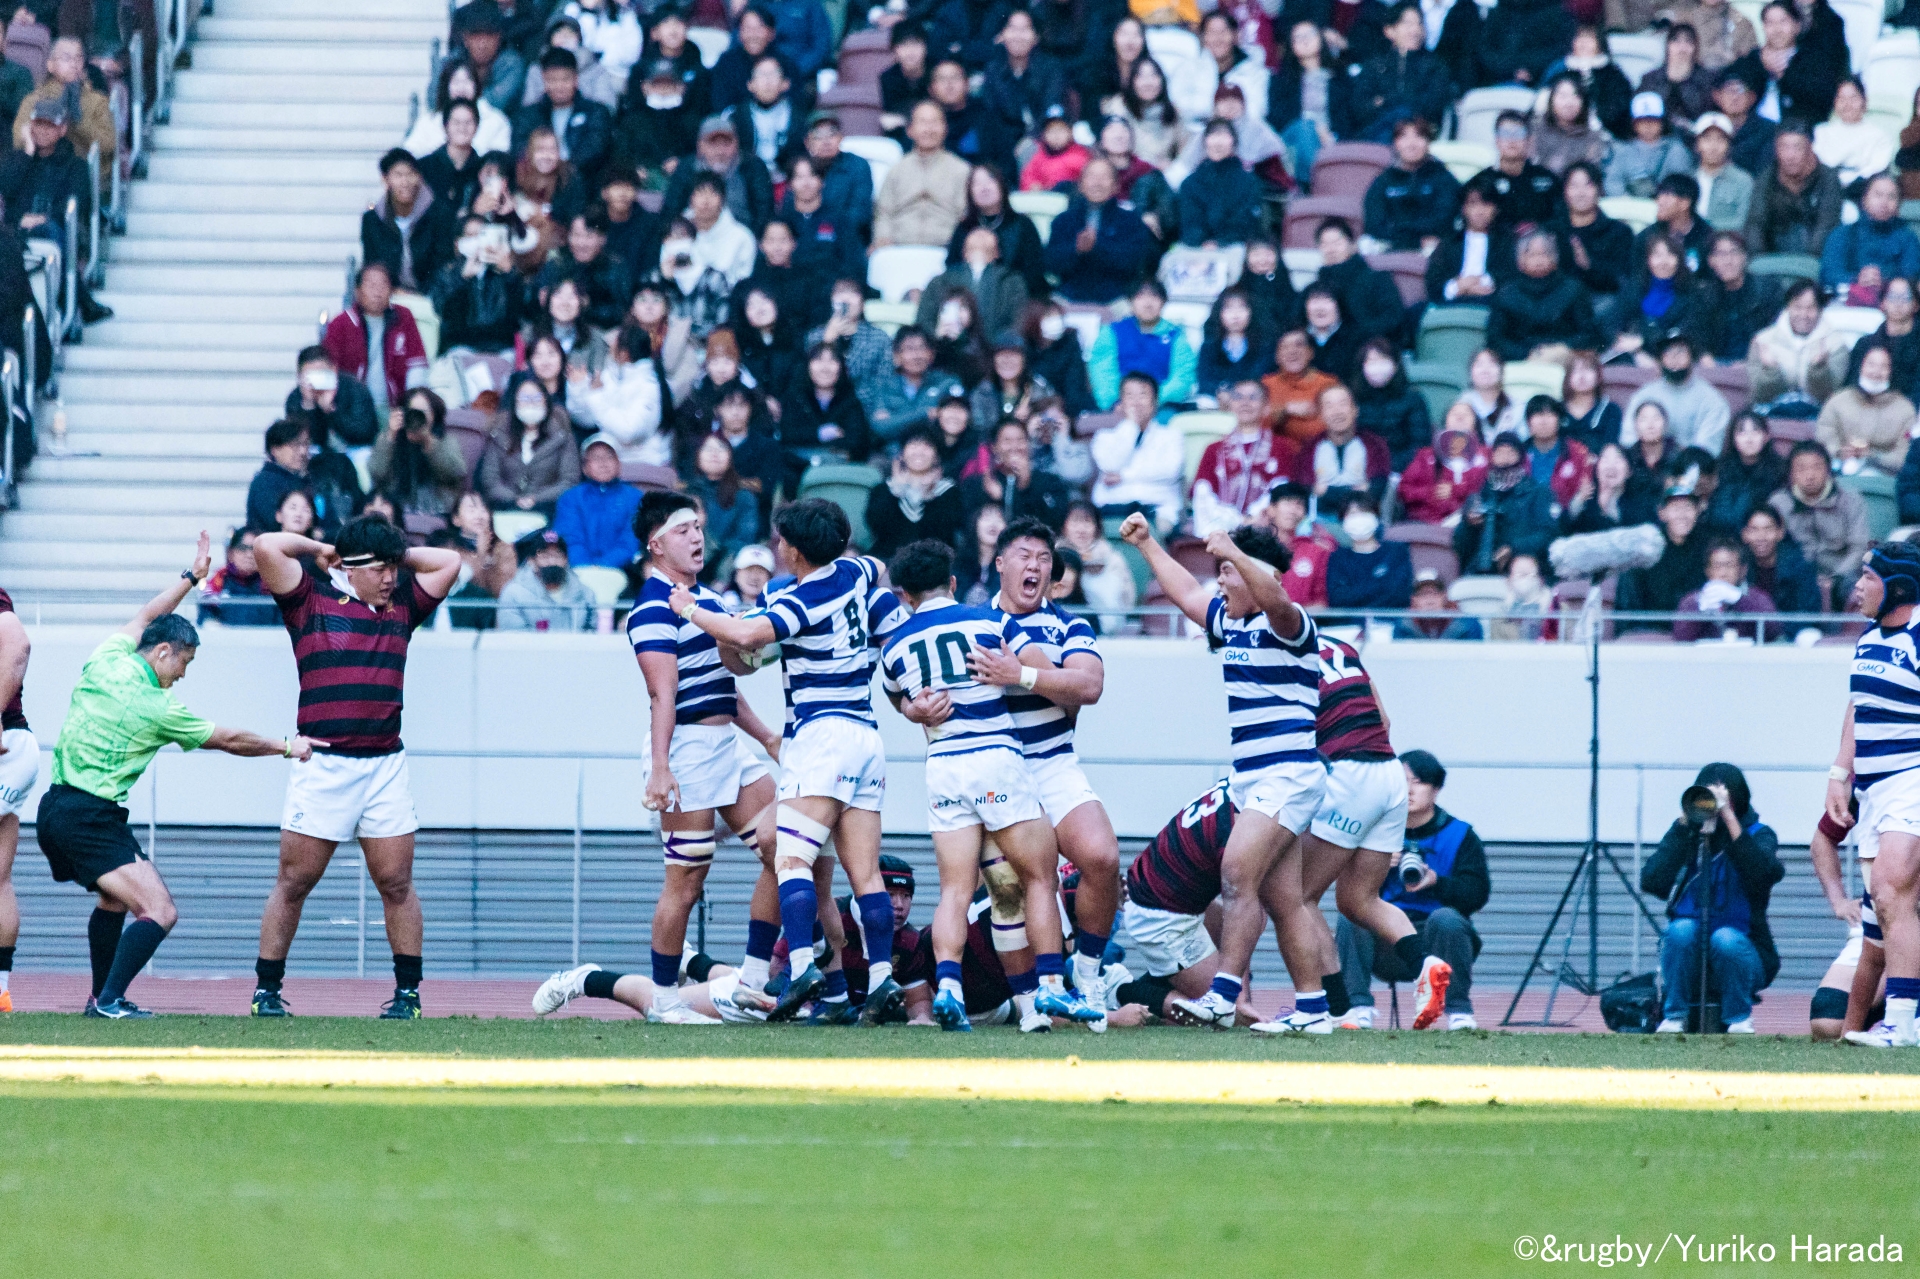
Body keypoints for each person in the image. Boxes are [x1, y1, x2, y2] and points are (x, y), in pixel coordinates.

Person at [34, 536, 323, 1018]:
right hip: (88, 816)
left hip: (56, 808)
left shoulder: (106, 660)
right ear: (165, 652)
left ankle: (99, 997)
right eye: (184, 663)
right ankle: (109, 1001)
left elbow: (146, 616)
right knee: (161, 911)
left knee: (114, 901)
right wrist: (287, 746)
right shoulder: (157, 707)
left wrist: (191, 579)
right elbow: (229, 739)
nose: (183, 674)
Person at [667, 500, 909, 1021]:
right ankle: (881, 978)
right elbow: (879, 574)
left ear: (794, 550)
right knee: (864, 874)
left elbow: (747, 638)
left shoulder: (802, 598)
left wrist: (689, 608)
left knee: (791, 860)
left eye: (781, 541)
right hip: (866, 736)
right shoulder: (858, 571)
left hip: (820, 736)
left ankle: (802, 965)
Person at [877, 538, 1100, 1032]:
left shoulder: (893, 646)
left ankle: (949, 987)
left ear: (904, 596)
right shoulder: (988, 621)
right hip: (995, 759)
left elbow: (898, 700)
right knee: (1039, 877)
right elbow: (1047, 674)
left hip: (942, 766)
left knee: (955, 890)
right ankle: (1051, 986)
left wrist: (915, 709)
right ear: (952, 582)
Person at [246, 518, 461, 1018]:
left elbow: (450, 562)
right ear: (349, 568)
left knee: (397, 883)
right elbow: (266, 545)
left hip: (384, 766)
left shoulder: (402, 606)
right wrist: (324, 548)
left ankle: (408, 995)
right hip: (323, 765)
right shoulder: (310, 601)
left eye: (393, 568)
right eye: (379, 569)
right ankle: (266, 991)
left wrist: (394, 553)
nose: (390, 578)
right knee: (294, 882)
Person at [1119, 518, 1323, 1030]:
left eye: (1228, 572)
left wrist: (1234, 550)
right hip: (1256, 779)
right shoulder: (1230, 623)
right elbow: (1187, 592)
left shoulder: (1289, 623)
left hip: (1287, 775)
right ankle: (1314, 1009)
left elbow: (1276, 598)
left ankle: (1223, 995)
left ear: (1257, 573)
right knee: (1285, 902)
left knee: (1235, 872)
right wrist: (1146, 544)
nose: (1220, 583)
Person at [622, 492, 786, 997]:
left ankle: (754, 974)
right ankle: (663, 997)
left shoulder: (708, 602)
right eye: (683, 530)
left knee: (786, 849)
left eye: (697, 526)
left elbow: (723, 687)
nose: (697, 536)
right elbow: (662, 694)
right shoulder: (652, 609)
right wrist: (660, 767)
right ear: (656, 545)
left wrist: (767, 737)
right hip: (687, 750)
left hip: (727, 746)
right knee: (686, 883)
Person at [1829, 541, 1920, 1045]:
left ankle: (1900, 1024)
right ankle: (1906, 1020)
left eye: (1868, 576)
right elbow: (1857, 709)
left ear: (1899, 587)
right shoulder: (1867, 638)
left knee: (1890, 890)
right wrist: (1839, 773)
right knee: (1884, 909)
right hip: (1874, 789)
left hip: (1912, 777)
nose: (1857, 586)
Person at [1335, 750, 1489, 1031]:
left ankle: (1459, 1012)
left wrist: (1437, 882)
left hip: (1439, 941)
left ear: (1436, 789)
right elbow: (1349, 889)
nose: (1408, 790)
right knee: (1352, 916)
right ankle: (1357, 1008)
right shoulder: (1375, 833)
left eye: (1418, 782)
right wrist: (1378, 866)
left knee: (1446, 919)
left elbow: (1477, 894)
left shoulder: (1460, 835)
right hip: (1387, 942)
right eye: (1402, 781)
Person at [1644, 762, 1783, 1033]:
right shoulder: (1688, 835)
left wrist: (1729, 819)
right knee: (1680, 930)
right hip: (1690, 952)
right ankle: (1674, 1017)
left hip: (1746, 950)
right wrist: (1684, 825)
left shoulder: (1759, 834)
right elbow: (1652, 881)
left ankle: (1738, 1019)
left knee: (1725, 939)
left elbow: (1762, 875)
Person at [323, 263, 431, 422]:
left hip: (395, 408)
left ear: (392, 291)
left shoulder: (403, 317)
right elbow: (328, 367)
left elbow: (416, 363)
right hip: (354, 409)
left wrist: (412, 404)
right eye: (371, 285)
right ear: (357, 291)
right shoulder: (340, 324)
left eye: (383, 285)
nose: (377, 292)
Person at [1771, 441, 1871, 608]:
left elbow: (1858, 547)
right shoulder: (1778, 503)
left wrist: (1836, 576)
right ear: (1791, 473)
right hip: (1796, 574)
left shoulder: (1851, 501)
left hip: (1842, 574)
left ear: (1828, 470)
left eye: (1817, 467)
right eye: (1801, 469)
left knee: (1856, 589)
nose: (1810, 475)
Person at [1044, 158, 1154, 305]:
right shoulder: (1064, 220)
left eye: (1104, 177)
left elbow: (1134, 263)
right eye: (1092, 176)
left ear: (1116, 186)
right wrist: (1076, 249)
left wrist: (1097, 247)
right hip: (1068, 296)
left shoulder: (1131, 221)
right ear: (1081, 185)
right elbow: (1050, 263)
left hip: (1116, 298)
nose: (1097, 183)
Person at [1190, 381, 1295, 536]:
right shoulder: (1214, 450)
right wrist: (1234, 522)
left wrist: (1252, 519)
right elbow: (1203, 493)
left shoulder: (1282, 447)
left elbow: (1281, 491)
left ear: (1266, 406)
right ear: (1230, 405)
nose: (1245, 403)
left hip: (1264, 530)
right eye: (1238, 397)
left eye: (1253, 397)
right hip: (1220, 529)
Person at [530, 959, 777, 1023]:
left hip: (777, 987)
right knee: (656, 1003)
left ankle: (689, 959)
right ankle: (583, 980)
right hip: (772, 996)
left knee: (737, 978)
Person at [1485, 230, 1603, 362]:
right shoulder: (1506, 293)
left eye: (1544, 254)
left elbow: (1589, 334)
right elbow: (1495, 339)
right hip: (1520, 360)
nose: (1539, 261)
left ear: (1554, 257)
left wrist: (1559, 349)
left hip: (1563, 359)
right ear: (1520, 260)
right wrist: (1526, 354)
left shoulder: (1573, 289)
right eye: (1532, 255)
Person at [1454, 433, 1561, 576]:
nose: (1505, 457)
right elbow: (1461, 545)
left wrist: (1513, 548)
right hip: (1481, 570)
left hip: (1524, 568)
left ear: (1520, 457)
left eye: (1510, 452)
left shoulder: (1538, 493)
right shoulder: (1480, 495)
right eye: (1500, 452)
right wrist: (1469, 524)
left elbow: (1548, 535)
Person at [1090, 373, 1185, 530]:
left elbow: (1170, 470)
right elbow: (1111, 465)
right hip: (1112, 509)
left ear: (1155, 402)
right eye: (1129, 395)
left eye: (1143, 395)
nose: (1136, 402)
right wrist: (1131, 426)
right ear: (1121, 402)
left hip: (1156, 510)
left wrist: (1124, 476)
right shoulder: (1104, 436)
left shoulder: (1171, 436)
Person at [873, 101, 971, 249]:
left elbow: (967, 215)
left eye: (935, 122)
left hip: (946, 248)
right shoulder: (896, 170)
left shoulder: (962, 170)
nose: (929, 129)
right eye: (923, 122)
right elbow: (883, 212)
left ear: (945, 128)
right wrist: (883, 237)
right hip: (899, 247)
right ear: (909, 130)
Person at [478, 378, 582, 518]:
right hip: (506, 510)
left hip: (549, 510)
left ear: (546, 400)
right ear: (515, 402)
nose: (531, 402)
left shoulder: (563, 436)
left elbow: (569, 481)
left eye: (537, 397)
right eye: (524, 398)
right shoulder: (499, 433)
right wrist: (515, 499)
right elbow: (490, 480)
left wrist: (536, 499)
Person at [1087, 280, 1196, 411]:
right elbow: (1102, 373)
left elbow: (1182, 378)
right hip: (1119, 407)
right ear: (1130, 301)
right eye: (1140, 297)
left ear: (1164, 302)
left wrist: (1150, 402)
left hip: (1162, 407)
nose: (1148, 303)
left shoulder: (1175, 336)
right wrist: (1116, 402)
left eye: (1154, 296)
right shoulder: (1112, 332)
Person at [361, 148, 454, 298]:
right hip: (389, 297)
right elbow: (373, 265)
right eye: (398, 175)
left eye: (410, 174)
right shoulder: (372, 220)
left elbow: (443, 264)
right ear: (385, 179)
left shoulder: (439, 214)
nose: (405, 182)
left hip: (432, 297)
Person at [1744, 120, 1843, 257]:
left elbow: (1826, 224)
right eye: (1784, 147)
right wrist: (1759, 258)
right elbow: (1755, 223)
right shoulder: (1766, 178)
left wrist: (1809, 260)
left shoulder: (1828, 178)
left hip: (1816, 256)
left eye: (1797, 147)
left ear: (1810, 147)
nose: (1790, 155)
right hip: (1773, 256)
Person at [1623, 333, 1732, 455]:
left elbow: (1707, 449)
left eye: (1680, 351)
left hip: (1690, 463)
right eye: (1668, 352)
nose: (1674, 357)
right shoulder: (1643, 395)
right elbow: (1628, 439)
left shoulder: (1712, 399)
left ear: (1691, 356)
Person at [1363, 117, 1460, 254]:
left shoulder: (1443, 177)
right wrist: (1410, 239)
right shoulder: (1383, 180)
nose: (1411, 144)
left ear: (1428, 142)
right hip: (1392, 244)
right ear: (1395, 143)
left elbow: (1444, 219)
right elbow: (1374, 222)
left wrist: (1408, 232)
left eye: (1419, 136)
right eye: (1404, 137)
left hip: (1432, 246)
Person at [866, 425, 964, 559]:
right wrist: (896, 493)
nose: (919, 452)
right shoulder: (883, 489)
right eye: (913, 445)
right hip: (889, 561)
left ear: (936, 456)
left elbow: (944, 534)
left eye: (927, 446)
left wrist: (928, 496)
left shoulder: (949, 491)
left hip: (934, 563)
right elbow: (877, 528)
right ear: (902, 454)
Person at [1818, 343, 1914, 477]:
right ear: (1861, 366)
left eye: (1883, 367)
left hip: (1884, 477)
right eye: (1871, 364)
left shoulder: (1905, 410)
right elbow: (1824, 435)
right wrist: (1838, 451)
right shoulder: (1838, 401)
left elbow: (1906, 454)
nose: (1876, 372)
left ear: (1891, 371)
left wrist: (1874, 456)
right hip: (1839, 471)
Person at [1749, 279, 1850, 407]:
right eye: (1797, 307)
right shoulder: (1763, 341)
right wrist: (1771, 370)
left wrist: (1818, 369)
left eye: (1810, 308)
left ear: (1820, 310)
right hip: (1771, 412)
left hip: (1817, 413)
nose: (1803, 314)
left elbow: (1829, 397)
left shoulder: (1836, 344)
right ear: (1787, 307)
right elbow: (1759, 396)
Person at [1819, 173, 1920, 300]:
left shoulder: (1908, 238)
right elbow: (1828, 274)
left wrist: (1883, 279)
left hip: (1893, 304)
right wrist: (1857, 279)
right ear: (1864, 199)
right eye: (1878, 195)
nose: (1884, 202)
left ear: (1899, 205)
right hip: (1847, 304)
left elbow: (1912, 274)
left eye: (1891, 197)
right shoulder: (1842, 234)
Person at [918, 226, 1029, 340]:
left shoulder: (1012, 282)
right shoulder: (941, 281)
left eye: (986, 240)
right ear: (964, 252)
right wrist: (940, 336)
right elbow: (924, 320)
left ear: (998, 252)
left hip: (996, 347)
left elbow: (1019, 318)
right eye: (974, 239)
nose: (981, 237)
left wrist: (1002, 343)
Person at [962, 417, 1073, 530]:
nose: (1015, 447)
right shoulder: (980, 483)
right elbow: (969, 525)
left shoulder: (1050, 482)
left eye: (1020, 440)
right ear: (994, 447)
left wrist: (1025, 487)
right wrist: (989, 497)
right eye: (1007, 441)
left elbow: (1054, 522)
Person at [551, 434, 641, 569]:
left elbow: (631, 540)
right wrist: (586, 569)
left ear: (619, 463)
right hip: (577, 570)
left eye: (609, 456)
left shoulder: (635, 497)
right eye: (596, 458)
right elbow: (570, 537)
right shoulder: (570, 498)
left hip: (623, 570)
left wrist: (602, 566)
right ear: (584, 468)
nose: (603, 463)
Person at [1312, 219, 1406, 347]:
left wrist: (1357, 337)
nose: (1331, 249)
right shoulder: (1317, 287)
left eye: (1337, 243)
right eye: (1325, 244)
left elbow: (1392, 318)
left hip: (1370, 347)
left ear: (1352, 245)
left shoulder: (1377, 279)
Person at [1426, 176, 1513, 306]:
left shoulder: (1506, 241)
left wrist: (1479, 284)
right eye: (1473, 204)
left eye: (1486, 204)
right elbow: (1434, 281)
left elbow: (1510, 276)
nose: (1480, 211)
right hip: (1453, 301)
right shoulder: (1450, 242)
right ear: (1463, 209)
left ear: (1495, 208)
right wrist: (1458, 286)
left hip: (1492, 302)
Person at [1696, 231, 1781, 363]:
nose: (1728, 261)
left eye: (1734, 252)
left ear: (1744, 257)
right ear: (1711, 261)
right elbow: (1697, 337)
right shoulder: (1703, 295)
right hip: (1717, 365)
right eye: (1721, 254)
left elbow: (1776, 332)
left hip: (1758, 363)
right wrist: (1705, 357)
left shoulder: (1767, 289)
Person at [1475, 111, 1562, 232]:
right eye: (1505, 133)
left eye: (1518, 133)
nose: (1511, 140)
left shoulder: (1548, 180)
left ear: (1529, 140)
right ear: (1496, 140)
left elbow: (1560, 220)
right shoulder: (1481, 182)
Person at [496, 529, 597, 630]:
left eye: (558, 555)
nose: (552, 561)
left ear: (566, 559)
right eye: (545, 556)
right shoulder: (513, 594)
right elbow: (512, 635)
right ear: (531, 561)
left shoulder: (585, 594)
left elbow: (591, 634)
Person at [1325, 495, 1413, 610]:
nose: (1359, 519)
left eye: (1364, 512)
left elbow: (1400, 594)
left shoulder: (1396, 551)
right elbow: (1337, 599)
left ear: (1376, 516)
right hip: (1351, 620)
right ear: (1343, 521)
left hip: (1390, 619)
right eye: (1352, 514)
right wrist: (1381, 587)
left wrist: (1356, 592)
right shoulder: (1338, 557)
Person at [1399, 414, 1490, 524]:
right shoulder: (1425, 456)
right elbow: (1404, 490)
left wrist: (1455, 490)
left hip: (1467, 523)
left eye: (1466, 413)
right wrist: (1430, 492)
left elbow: (1484, 495)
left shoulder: (1485, 458)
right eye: (1454, 412)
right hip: (1424, 521)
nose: (1460, 417)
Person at [1740, 504, 1822, 615]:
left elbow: (1807, 612)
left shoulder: (1799, 568)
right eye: (1754, 530)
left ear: (1780, 532)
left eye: (1768, 529)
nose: (1761, 537)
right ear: (1744, 534)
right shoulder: (1739, 567)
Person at [1534, 74, 1612, 178]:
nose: (1569, 103)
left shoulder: (1593, 136)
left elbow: (1591, 172)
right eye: (1563, 96)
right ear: (1551, 99)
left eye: (1576, 96)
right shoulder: (1536, 129)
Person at [1640, 23, 1716, 129]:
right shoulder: (1650, 80)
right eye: (1676, 41)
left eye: (1688, 41)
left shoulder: (1707, 80)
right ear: (1668, 45)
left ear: (1695, 46)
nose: (1682, 47)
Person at [1689, 113, 1755, 232]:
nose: (1713, 147)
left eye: (1720, 139)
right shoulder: (1688, 178)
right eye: (1707, 139)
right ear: (1697, 144)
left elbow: (1744, 220)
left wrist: (1706, 229)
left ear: (1729, 145)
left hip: (1725, 240)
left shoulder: (1742, 180)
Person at [1560, 350, 1624, 455]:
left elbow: (1610, 448)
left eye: (1587, 369)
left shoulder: (1611, 410)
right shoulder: (1557, 410)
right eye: (1575, 371)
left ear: (1598, 376)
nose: (1581, 376)